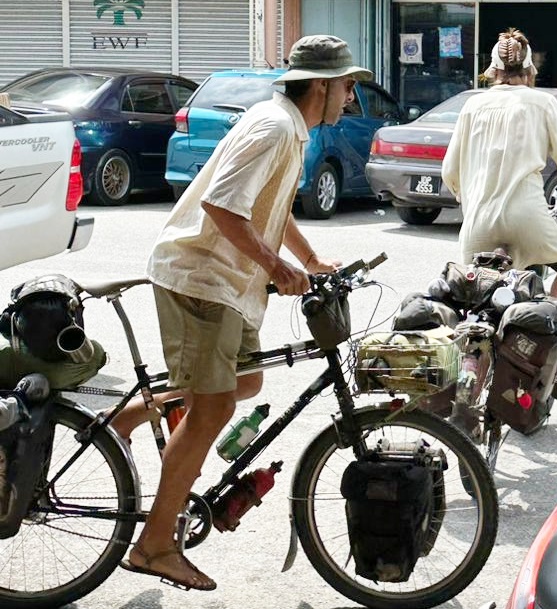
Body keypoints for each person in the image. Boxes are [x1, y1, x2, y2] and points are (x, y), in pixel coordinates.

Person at [115, 34, 372, 591]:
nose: (351, 98)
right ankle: (155, 546)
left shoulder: (288, 127)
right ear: (322, 86)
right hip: (202, 276)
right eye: (347, 86)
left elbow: (268, 207)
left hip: (230, 283)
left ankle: (134, 416)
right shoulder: (274, 127)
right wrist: (277, 268)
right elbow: (222, 205)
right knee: (212, 411)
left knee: (246, 382)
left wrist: (309, 260)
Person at [441, 27, 557, 301]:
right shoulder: (543, 103)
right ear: (531, 69)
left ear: (492, 70)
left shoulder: (472, 105)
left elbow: (450, 171)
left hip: (478, 227)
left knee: (475, 299)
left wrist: (470, 198)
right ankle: (551, 315)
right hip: (528, 220)